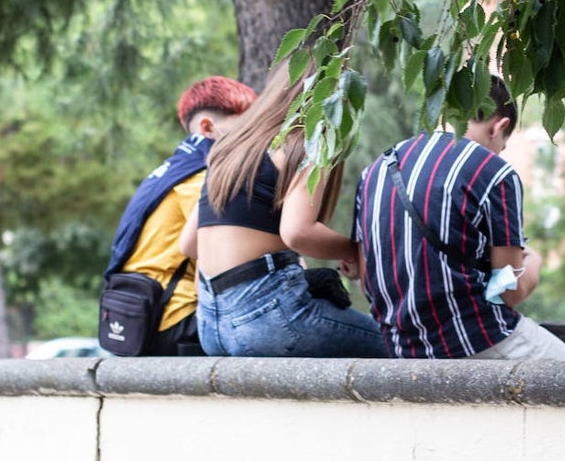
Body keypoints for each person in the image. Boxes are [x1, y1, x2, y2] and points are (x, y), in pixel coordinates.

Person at [353, 77, 565, 360]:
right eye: (502, 146)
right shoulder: (493, 171)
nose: (498, 153)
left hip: (404, 349)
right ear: (499, 127)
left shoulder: (375, 171)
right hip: (473, 340)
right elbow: (507, 291)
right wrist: (533, 265)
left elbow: (366, 279)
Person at [179, 65, 386, 357]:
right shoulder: (309, 139)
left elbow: (188, 245)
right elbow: (298, 232)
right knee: (399, 347)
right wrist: (354, 249)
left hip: (211, 327)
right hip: (272, 320)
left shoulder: (228, 148)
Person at [104, 76, 257, 355]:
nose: (253, 138)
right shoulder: (200, 176)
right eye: (245, 128)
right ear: (207, 127)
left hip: (138, 312)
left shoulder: (171, 170)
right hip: (174, 316)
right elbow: (211, 255)